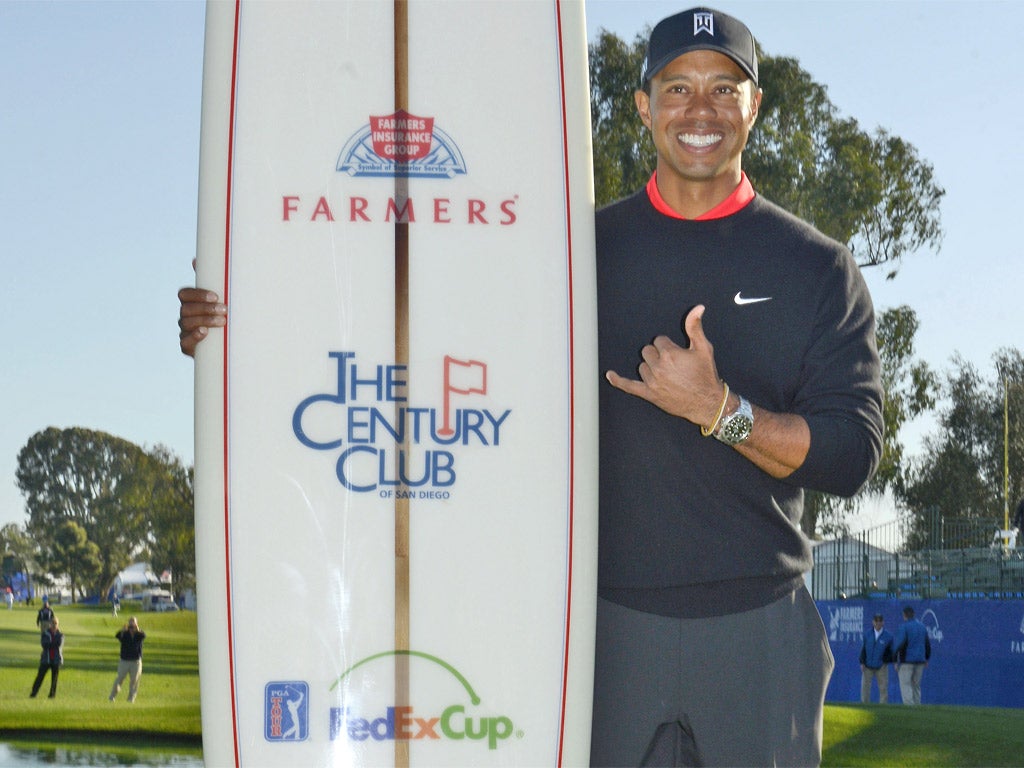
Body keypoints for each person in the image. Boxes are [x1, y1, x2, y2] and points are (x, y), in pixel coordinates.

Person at [177, 7, 883, 765]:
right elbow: (425, 330)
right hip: (598, 629)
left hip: (758, 626)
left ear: (755, 106)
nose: (700, 110)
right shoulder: (572, 252)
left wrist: (719, 411)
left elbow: (850, 453)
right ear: (643, 106)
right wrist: (241, 331)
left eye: (723, 88)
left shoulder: (815, 267)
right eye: (678, 88)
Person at [893, 605, 930, 705]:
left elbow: (899, 644)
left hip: (907, 661)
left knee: (906, 684)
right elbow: (927, 644)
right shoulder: (922, 626)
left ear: (904, 615)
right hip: (920, 660)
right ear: (914, 615)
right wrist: (926, 658)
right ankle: (917, 706)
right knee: (916, 685)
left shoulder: (904, 627)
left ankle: (909, 706)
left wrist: (895, 661)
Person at [109, 616, 146, 703]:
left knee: (134, 681)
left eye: (133, 623)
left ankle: (131, 698)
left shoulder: (139, 634)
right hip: (124, 661)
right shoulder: (124, 634)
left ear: (136, 624)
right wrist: (123, 630)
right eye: (130, 623)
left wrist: (137, 629)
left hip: (136, 662)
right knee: (119, 679)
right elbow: (117, 636)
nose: (131, 626)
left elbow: (144, 636)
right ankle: (112, 696)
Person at [859, 613, 894, 704]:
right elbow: (863, 649)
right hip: (868, 665)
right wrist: (862, 662)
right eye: (876, 621)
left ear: (883, 622)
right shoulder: (867, 634)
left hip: (881, 666)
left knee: (883, 687)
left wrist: (885, 661)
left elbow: (891, 652)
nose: (878, 623)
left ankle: (883, 706)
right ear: (873, 622)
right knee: (865, 687)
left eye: (880, 621)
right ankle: (864, 704)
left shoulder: (888, 636)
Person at [30, 616, 63, 698]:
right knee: (40, 676)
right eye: (52, 623)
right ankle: (34, 692)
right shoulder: (45, 633)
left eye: (55, 623)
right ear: (49, 624)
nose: (54, 625)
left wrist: (50, 644)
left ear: (58, 624)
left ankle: (52, 694)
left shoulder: (60, 635)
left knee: (54, 679)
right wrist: (52, 644)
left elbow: (58, 645)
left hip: (56, 659)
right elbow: (44, 645)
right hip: (46, 659)